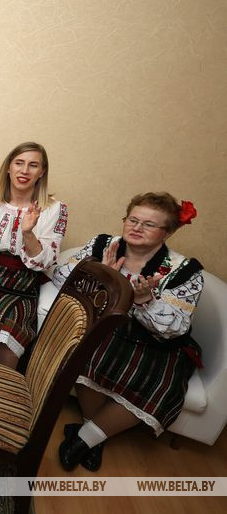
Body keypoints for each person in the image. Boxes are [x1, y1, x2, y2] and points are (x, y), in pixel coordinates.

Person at [54, 192, 202, 472]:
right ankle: (94, 437)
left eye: (149, 224)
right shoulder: (103, 245)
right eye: (133, 220)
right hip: (107, 328)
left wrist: (145, 301)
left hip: (157, 343)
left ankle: (84, 438)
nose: (137, 227)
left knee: (161, 382)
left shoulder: (184, 270)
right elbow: (60, 276)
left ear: (168, 232)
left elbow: (177, 327)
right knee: (86, 351)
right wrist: (100, 275)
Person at [0, 142, 68, 369]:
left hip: (24, 284)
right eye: (19, 163)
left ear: (42, 172)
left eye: (33, 165)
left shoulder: (55, 210)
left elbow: (45, 263)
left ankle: (2, 389)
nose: (24, 170)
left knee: (8, 340)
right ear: (9, 168)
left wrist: (28, 233)